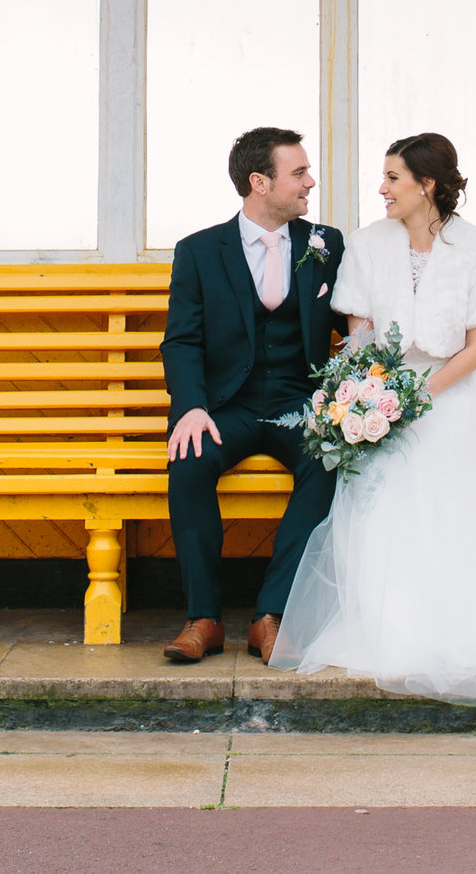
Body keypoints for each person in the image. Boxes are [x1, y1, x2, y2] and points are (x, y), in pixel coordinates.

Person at [268, 132, 476, 716]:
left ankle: (469, 629)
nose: (382, 189)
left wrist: (416, 396)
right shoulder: (367, 246)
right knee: (384, 487)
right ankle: (391, 627)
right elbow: (360, 334)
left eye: (393, 178)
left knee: (461, 485)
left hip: (456, 393)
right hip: (382, 395)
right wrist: (369, 396)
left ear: (428, 185)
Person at [157, 127, 347, 665]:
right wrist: (191, 407)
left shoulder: (325, 244)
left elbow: (352, 323)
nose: (311, 182)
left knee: (329, 461)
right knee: (188, 460)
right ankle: (203, 619)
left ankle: (272, 614)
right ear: (259, 183)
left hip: (297, 403)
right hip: (226, 406)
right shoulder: (198, 251)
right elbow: (182, 338)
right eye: (299, 173)